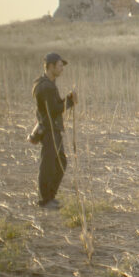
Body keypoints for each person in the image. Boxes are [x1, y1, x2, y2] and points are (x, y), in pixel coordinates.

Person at [34, 52, 77, 209]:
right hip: (49, 130)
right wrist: (70, 102)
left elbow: (55, 105)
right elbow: (53, 110)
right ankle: (45, 200)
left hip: (54, 129)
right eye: (59, 66)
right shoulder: (45, 86)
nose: (62, 69)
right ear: (50, 66)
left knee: (60, 163)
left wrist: (68, 99)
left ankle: (50, 197)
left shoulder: (49, 84)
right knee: (48, 165)